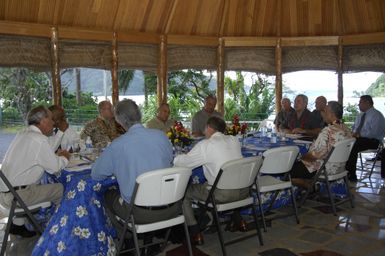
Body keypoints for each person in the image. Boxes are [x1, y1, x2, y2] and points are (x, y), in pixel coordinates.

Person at [91, 99, 179, 241]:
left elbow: (96, 175)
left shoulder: (118, 145)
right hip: (171, 207)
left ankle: (126, 239)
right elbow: (170, 161)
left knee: (105, 195)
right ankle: (150, 236)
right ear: (140, 115)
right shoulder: (161, 136)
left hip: (140, 213)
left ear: (119, 120)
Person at [174, 116, 248, 244]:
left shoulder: (206, 145)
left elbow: (184, 163)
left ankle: (194, 231)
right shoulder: (234, 140)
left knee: (183, 193)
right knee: (225, 181)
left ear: (209, 128)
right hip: (243, 191)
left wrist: (176, 157)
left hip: (222, 194)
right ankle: (238, 219)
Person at [0, 106, 69, 237]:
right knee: (63, 188)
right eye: (51, 119)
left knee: (39, 183)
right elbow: (55, 168)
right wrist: (65, 157)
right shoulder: (38, 139)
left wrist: (60, 133)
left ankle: (18, 224)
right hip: (19, 197)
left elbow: (45, 151)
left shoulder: (24, 134)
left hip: (5, 195)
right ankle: (62, 230)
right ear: (43, 121)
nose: (53, 122)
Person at [291, 101, 352, 181]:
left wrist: (301, 158)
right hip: (340, 167)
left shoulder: (328, 131)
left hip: (323, 168)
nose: (322, 114)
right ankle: (308, 185)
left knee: (287, 168)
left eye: (324, 111)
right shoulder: (346, 129)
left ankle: (307, 185)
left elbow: (316, 154)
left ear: (331, 113)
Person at [345, 95, 385, 182]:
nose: (358, 105)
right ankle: (343, 170)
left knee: (353, 146)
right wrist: (352, 133)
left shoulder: (377, 115)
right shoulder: (360, 115)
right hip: (360, 139)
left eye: (360, 103)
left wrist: (359, 135)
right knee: (346, 143)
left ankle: (351, 174)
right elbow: (354, 128)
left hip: (374, 141)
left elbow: (375, 133)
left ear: (367, 103)